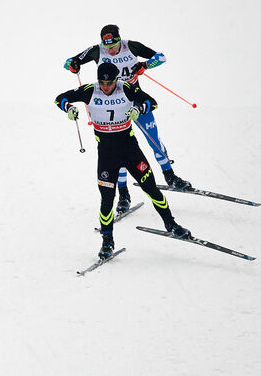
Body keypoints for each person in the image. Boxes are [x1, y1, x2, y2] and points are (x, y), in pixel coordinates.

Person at [55, 62, 193, 260]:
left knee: (151, 189)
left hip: (130, 150)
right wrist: (67, 108)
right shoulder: (89, 91)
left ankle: (171, 224)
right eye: (102, 83)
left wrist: (139, 108)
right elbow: (60, 98)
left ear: (116, 80)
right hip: (106, 155)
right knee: (107, 200)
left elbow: (152, 102)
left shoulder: (126, 88)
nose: (105, 87)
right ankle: (107, 243)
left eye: (109, 83)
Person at [64, 24, 192, 213]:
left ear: (119, 40)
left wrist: (145, 65)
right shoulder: (96, 51)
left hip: (134, 98)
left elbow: (161, 57)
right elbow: (69, 62)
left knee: (153, 139)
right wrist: (73, 66)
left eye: (114, 45)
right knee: (118, 149)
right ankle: (124, 195)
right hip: (112, 104)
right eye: (107, 47)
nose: (110, 50)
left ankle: (170, 176)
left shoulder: (131, 46)